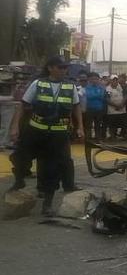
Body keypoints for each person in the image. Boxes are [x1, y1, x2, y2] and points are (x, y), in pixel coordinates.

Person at [9, 56, 83, 216]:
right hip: (35, 131)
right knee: (20, 157)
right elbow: (22, 105)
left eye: (65, 67)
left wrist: (80, 128)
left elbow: (76, 108)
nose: (64, 70)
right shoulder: (38, 84)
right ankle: (19, 180)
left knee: (52, 168)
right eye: (60, 67)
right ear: (50, 68)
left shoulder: (71, 87)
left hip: (58, 134)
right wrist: (15, 127)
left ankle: (47, 204)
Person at [105, 75, 127, 139]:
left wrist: (122, 104)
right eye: (113, 80)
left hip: (122, 109)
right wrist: (116, 105)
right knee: (112, 125)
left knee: (123, 124)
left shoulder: (121, 87)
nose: (115, 81)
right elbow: (107, 99)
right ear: (110, 81)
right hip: (112, 110)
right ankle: (113, 137)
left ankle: (122, 136)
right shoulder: (107, 88)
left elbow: (126, 96)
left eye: (116, 80)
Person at [84, 72, 106, 139]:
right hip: (89, 109)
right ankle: (88, 139)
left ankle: (97, 139)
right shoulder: (86, 87)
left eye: (96, 79)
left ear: (98, 79)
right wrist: (97, 95)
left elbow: (102, 96)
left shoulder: (101, 87)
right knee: (88, 126)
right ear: (89, 79)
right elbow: (88, 96)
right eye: (93, 79)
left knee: (98, 125)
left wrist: (95, 95)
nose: (94, 80)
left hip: (99, 109)